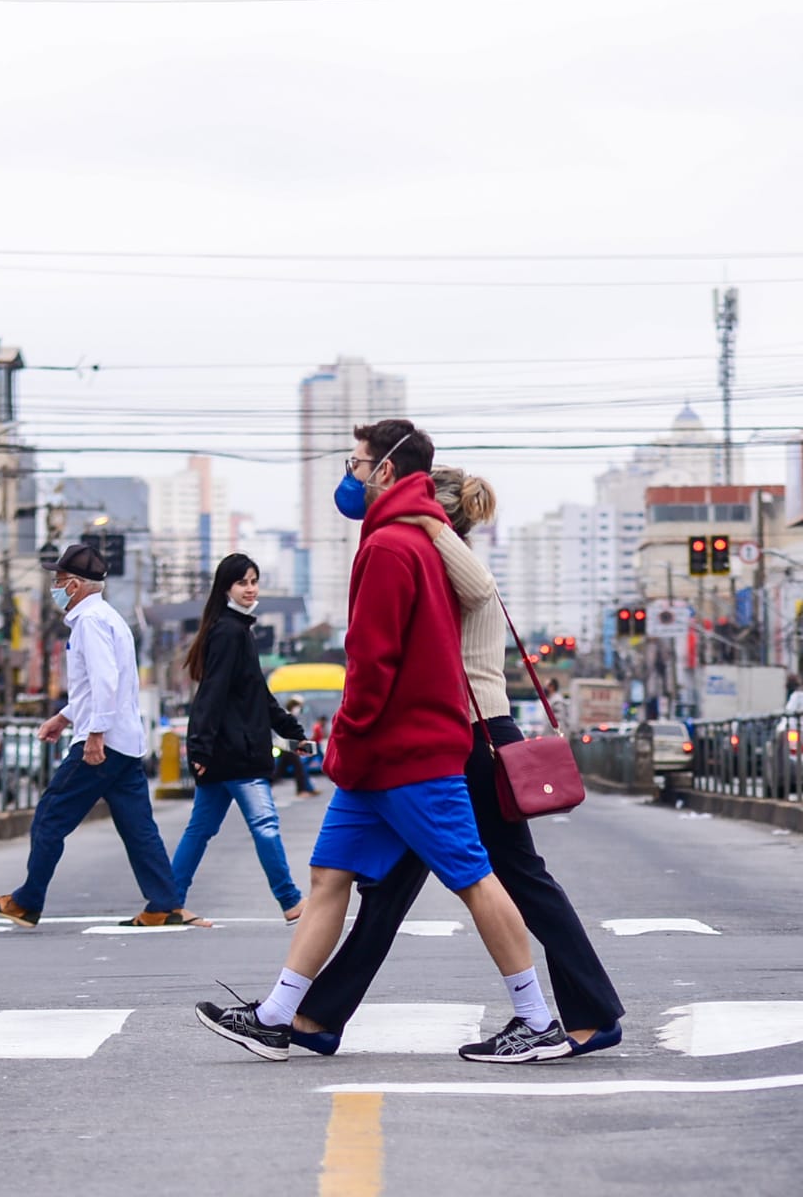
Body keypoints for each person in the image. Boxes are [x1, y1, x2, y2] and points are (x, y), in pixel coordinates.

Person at [196, 419, 567, 1063]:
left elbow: (372, 661)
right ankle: (277, 1015)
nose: (351, 474)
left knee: (475, 878)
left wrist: (346, 735)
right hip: (385, 759)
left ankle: (536, 1019)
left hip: (408, 754)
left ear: (386, 471)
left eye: (356, 462)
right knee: (328, 874)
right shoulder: (408, 538)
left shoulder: (392, 546)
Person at [291, 466, 624, 1058]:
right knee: (389, 889)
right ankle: (316, 1018)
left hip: (476, 741)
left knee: (520, 879)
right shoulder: (429, 561)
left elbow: (481, 587)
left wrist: (421, 517)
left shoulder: (451, 558)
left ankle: (591, 1015)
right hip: (444, 740)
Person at [0, 543, 206, 928]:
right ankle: (164, 904)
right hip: (126, 741)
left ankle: (27, 901)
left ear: (75, 585)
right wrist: (63, 718)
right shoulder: (109, 618)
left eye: (58, 579)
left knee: (50, 817)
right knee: (138, 827)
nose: (54, 585)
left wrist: (94, 735)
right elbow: (96, 687)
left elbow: (106, 681)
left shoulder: (90, 622)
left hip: (103, 743)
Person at [170, 554, 310, 922]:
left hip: (225, 751)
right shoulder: (230, 632)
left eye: (253, 581)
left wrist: (292, 732)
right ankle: (291, 900)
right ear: (226, 588)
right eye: (242, 583)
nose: (250, 589)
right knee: (265, 826)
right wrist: (199, 746)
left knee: (199, 830)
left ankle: (169, 902)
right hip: (235, 752)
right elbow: (212, 693)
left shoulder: (235, 629)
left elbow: (255, 694)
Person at [277, 696, 319, 796]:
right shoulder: (285, 715)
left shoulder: (292, 716)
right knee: (299, 767)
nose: (300, 709)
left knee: (279, 771)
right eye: (299, 706)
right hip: (287, 746)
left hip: (290, 746)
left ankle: (307, 789)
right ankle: (302, 790)